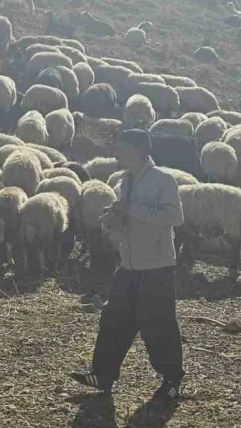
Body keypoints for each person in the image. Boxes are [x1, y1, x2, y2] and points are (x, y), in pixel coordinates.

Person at [70, 129, 185, 400]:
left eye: (121, 148)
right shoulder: (125, 180)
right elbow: (126, 213)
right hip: (129, 264)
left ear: (137, 150)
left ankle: (173, 378)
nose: (117, 153)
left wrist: (130, 211)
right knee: (114, 319)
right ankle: (103, 374)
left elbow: (175, 216)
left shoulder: (163, 180)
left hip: (157, 265)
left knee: (158, 322)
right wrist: (113, 219)